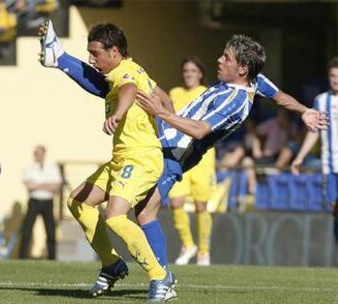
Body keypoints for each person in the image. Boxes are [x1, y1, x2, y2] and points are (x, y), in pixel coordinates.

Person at [39, 20, 327, 301]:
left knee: (144, 213)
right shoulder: (254, 80)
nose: (218, 60)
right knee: (118, 92)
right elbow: (278, 95)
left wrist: (162, 113)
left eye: (225, 58)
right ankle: (60, 58)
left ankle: (162, 279)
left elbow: (200, 129)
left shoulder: (235, 101)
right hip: (161, 141)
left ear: (242, 68)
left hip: (174, 155)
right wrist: (304, 110)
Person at [40, 20, 176, 302]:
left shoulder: (125, 73)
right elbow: (164, 98)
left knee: (115, 216)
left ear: (114, 51)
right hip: (125, 157)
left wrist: (118, 114)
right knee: (77, 201)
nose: (92, 59)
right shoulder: (135, 69)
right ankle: (112, 264)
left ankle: (159, 276)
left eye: (95, 53)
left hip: (141, 158)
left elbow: (126, 90)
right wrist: (164, 117)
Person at [167, 56, 216, 266]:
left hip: (202, 155)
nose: (189, 74)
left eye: (193, 71)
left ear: (200, 74)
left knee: (200, 206)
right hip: (178, 152)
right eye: (186, 70)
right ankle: (187, 244)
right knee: (176, 201)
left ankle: (204, 251)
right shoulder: (175, 93)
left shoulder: (208, 93)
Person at [291, 57, 338, 242]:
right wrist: (300, 158)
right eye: (333, 76)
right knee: (334, 208)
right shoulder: (321, 100)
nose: (336, 80)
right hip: (330, 166)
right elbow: (314, 132)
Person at [19, 145, 62, 260]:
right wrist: (47, 185)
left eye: (38, 153)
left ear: (44, 153)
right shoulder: (29, 167)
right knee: (27, 230)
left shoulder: (52, 167)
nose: (36, 155)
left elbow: (56, 187)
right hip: (34, 202)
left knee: (51, 231)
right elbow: (29, 186)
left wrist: (38, 185)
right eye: (35, 153)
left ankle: (52, 258)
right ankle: (22, 257)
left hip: (48, 202)